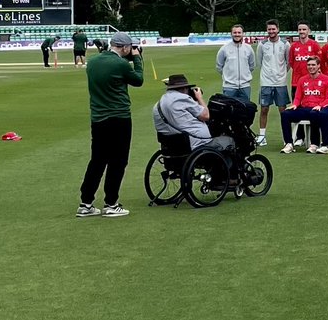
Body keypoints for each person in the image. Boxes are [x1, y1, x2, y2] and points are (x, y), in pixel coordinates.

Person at [77, 31, 143, 218]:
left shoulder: (93, 62)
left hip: (98, 118)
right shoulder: (121, 64)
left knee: (97, 160)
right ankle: (111, 203)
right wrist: (137, 60)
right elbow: (138, 80)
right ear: (125, 47)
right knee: (118, 161)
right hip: (119, 117)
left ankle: (86, 202)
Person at [153, 73, 233, 152]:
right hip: (196, 143)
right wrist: (199, 98)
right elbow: (205, 116)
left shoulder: (158, 104)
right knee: (228, 141)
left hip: (171, 146)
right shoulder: (182, 98)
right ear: (184, 88)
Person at [279, 56, 328, 154]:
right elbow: (298, 97)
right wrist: (295, 105)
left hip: (318, 109)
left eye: (313, 65)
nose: (311, 67)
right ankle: (289, 144)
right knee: (285, 114)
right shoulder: (302, 80)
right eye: (309, 65)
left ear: (318, 66)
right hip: (304, 108)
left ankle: (314, 144)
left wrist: (320, 105)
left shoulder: (327, 79)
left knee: (314, 113)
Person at [255, 20, 290, 147]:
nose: (271, 31)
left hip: (280, 82)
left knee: (283, 110)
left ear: (278, 29)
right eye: (269, 29)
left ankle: (286, 137)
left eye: (273, 29)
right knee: (264, 109)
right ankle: (262, 136)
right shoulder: (262, 44)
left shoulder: (285, 44)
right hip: (266, 82)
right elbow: (259, 62)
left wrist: (281, 74)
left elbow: (288, 62)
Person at [216, 24, 255, 103]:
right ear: (231, 34)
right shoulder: (224, 49)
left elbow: (252, 66)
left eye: (239, 32)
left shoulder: (248, 48)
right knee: (229, 111)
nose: (237, 34)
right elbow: (219, 66)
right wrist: (228, 77)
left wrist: (245, 75)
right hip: (229, 87)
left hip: (245, 86)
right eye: (235, 33)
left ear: (242, 34)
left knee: (245, 111)